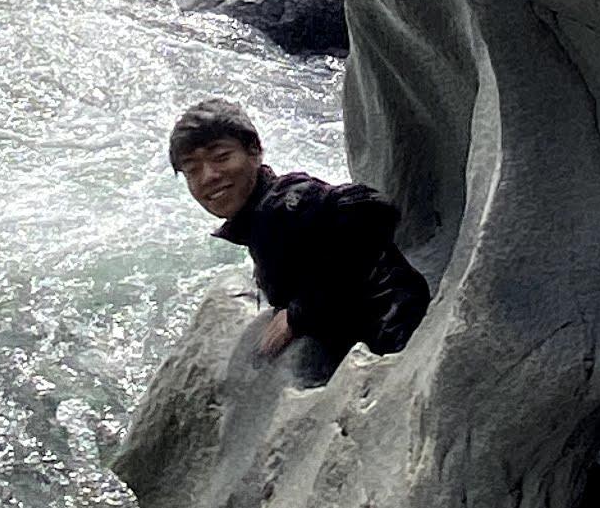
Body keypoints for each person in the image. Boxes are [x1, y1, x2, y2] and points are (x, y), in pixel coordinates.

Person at [167, 99, 429, 364]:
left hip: (397, 338)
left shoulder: (284, 203)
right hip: (382, 341)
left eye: (221, 157)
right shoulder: (258, 220)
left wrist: (300, 314)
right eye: (192, 170)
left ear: (255, 152)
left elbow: (375, 209)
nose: (208, 176)